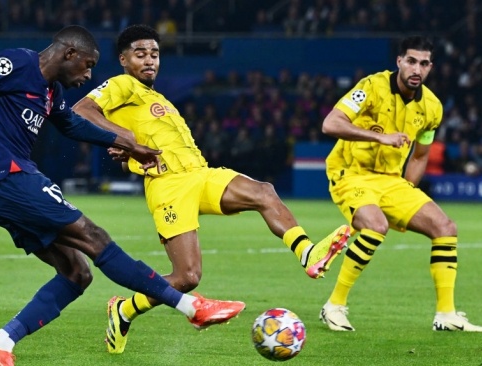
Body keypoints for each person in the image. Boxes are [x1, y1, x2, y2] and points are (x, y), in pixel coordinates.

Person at [0, 25, 245, 366]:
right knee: (94, 236)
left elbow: (72, 125)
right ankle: (192, 308)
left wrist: (127, 144)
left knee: (77, 273)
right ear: (69, 54)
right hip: (9, 174)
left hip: (1, 188)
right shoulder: (18, 62)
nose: (88, 75)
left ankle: (0, 343)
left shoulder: (50, 93)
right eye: (87, 66)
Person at [71, 24, 351, 354]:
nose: (149, 60)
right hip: (168, 187)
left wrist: (126, 148)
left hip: (200, 174)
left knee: (263, 192)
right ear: (123, 59)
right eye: (140, 54)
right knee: (187, 277)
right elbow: (81, 111)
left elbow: (134, 149)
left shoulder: (155, 98)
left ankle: (307, 252)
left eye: (155, 54)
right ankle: (125, 309)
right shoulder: (121, 85)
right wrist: (124, 139)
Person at [319, 36, 482, 332]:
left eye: (423, 63)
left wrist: (405, 197)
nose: (416, 69)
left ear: (430, 67)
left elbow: (420, 155)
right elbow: (331, 124)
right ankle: (334, 306)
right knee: (375, 225)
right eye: (411, 61)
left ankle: (445, 315)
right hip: (350, 172)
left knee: (445, 227)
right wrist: (379, 136)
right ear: (399, 61)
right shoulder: (371, 87)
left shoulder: (432, 108)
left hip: (391, 180)